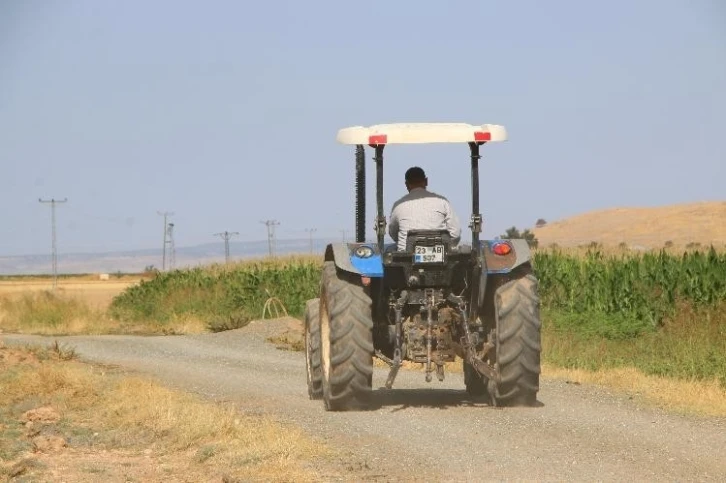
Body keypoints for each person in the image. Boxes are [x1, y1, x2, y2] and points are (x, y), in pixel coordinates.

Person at [388, 166, 461, 251]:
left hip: (407, 258)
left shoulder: (398, 205)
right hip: (441, 256)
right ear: (426, 181)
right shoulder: (442, 201)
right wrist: (446, 247)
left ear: (406, 184)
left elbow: (393, 233)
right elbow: (455, 233)